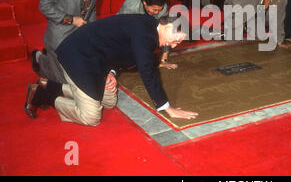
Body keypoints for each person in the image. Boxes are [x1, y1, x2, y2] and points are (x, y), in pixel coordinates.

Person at [25, 15, 198, 125]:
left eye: (177, 44)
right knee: (91, 116)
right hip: (79, 57)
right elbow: (147, 71)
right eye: (175, 40)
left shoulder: (150, 27)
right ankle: (41, 94)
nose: (173, 46)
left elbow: (116, 47)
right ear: (167, 26)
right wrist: (167, 108)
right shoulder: (146, 35)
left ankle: (50, 85)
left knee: (108, 102)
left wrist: (112, 73)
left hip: (98, 59)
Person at [31, 0, 105, 86]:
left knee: (80, 75)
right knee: (64, 81)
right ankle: (40, 60)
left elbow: (92, 10)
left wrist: (92, 32)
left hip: (81, 37)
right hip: (60, 36)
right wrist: (72, 20)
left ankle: (47, 60)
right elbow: (44, 6)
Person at [117, 0, 176, 69]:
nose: (157, 12)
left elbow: (165, 32)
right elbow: (119, 29)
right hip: (124, 30)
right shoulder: (131, 6)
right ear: (144, 3)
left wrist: (164, 58)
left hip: (146, 28)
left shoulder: (163, 9)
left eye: (159, 9)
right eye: (154, 10)